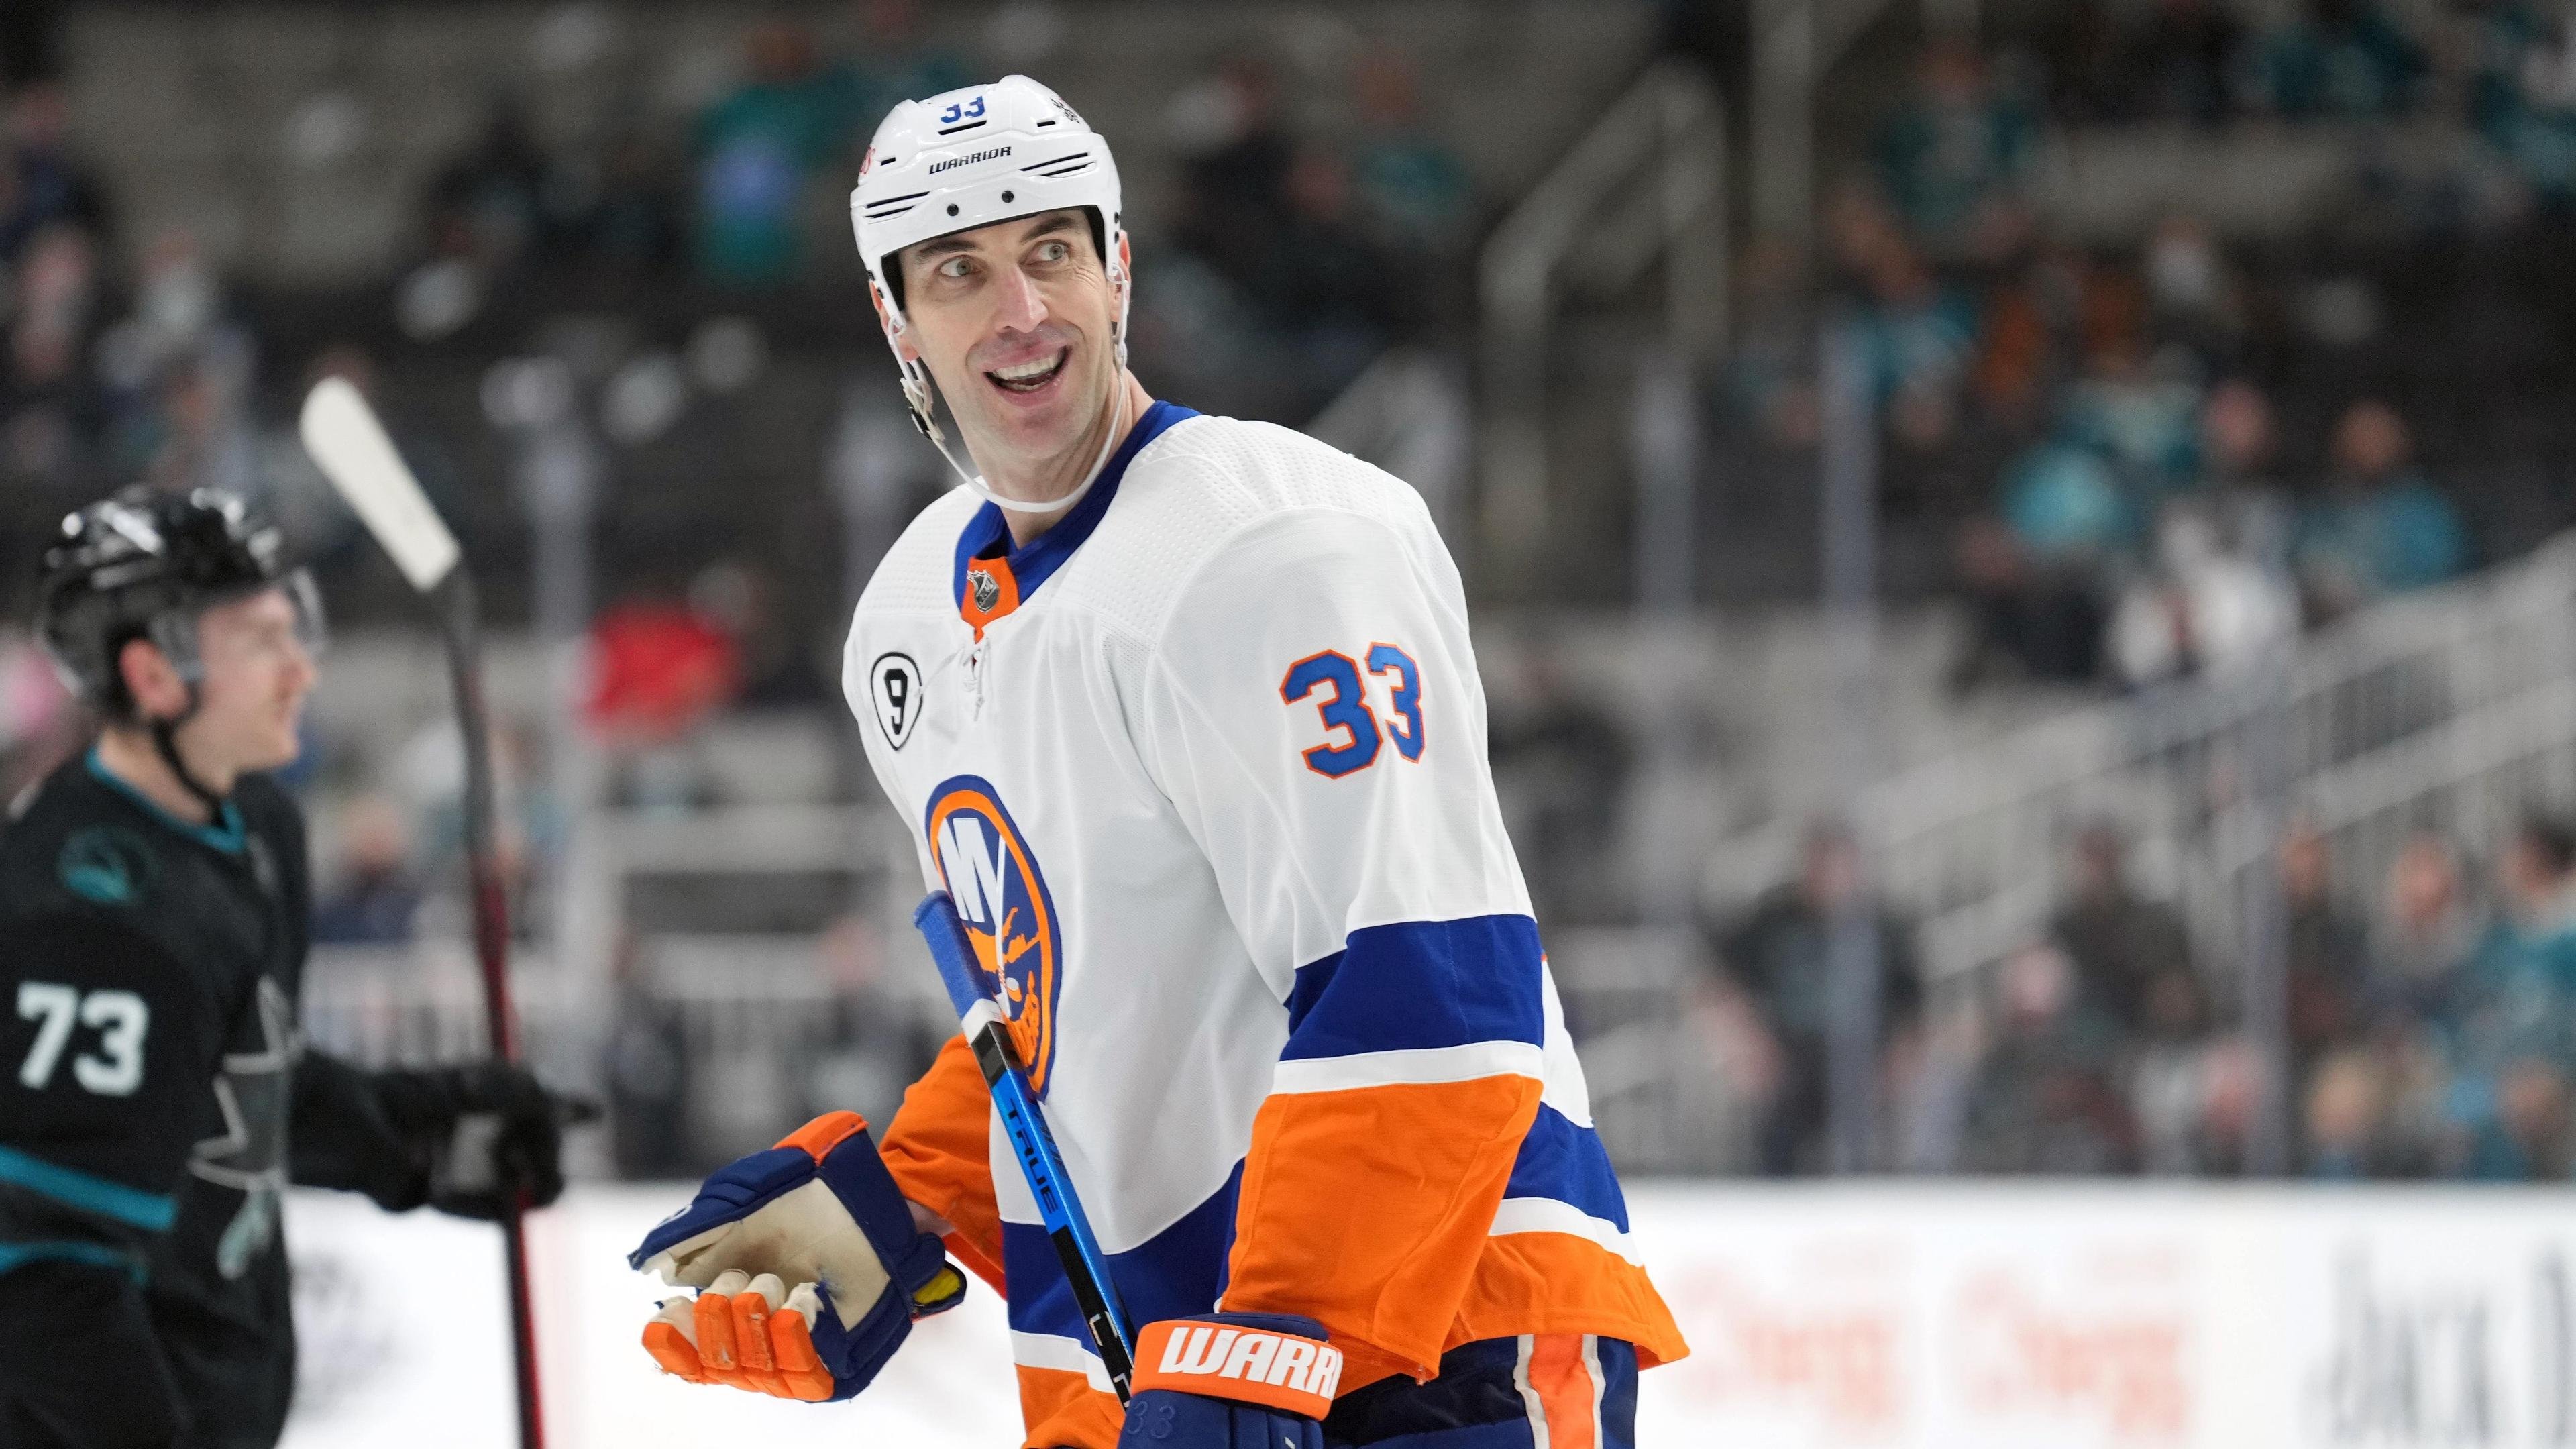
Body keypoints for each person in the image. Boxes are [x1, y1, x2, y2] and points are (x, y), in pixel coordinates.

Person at [629, 76, 1684, 1449]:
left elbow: (1433, 991)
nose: (1019, 313)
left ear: (1119, 269)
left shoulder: (1286, 548)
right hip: (1156, 1373)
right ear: (897, 319)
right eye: (958, 272)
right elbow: (1068, 1008)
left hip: (1431, 1342)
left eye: (1050, 253)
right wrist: (900, 1203)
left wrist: (1276, 1337)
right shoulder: (907, 623)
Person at [0, 488, 576, 1448]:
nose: (302, 669)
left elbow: (218, 1091)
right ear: (152, 675)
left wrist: (416, 1135)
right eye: (263, 641)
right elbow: (45, 1265)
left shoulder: (255, 827)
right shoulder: (82, 911)